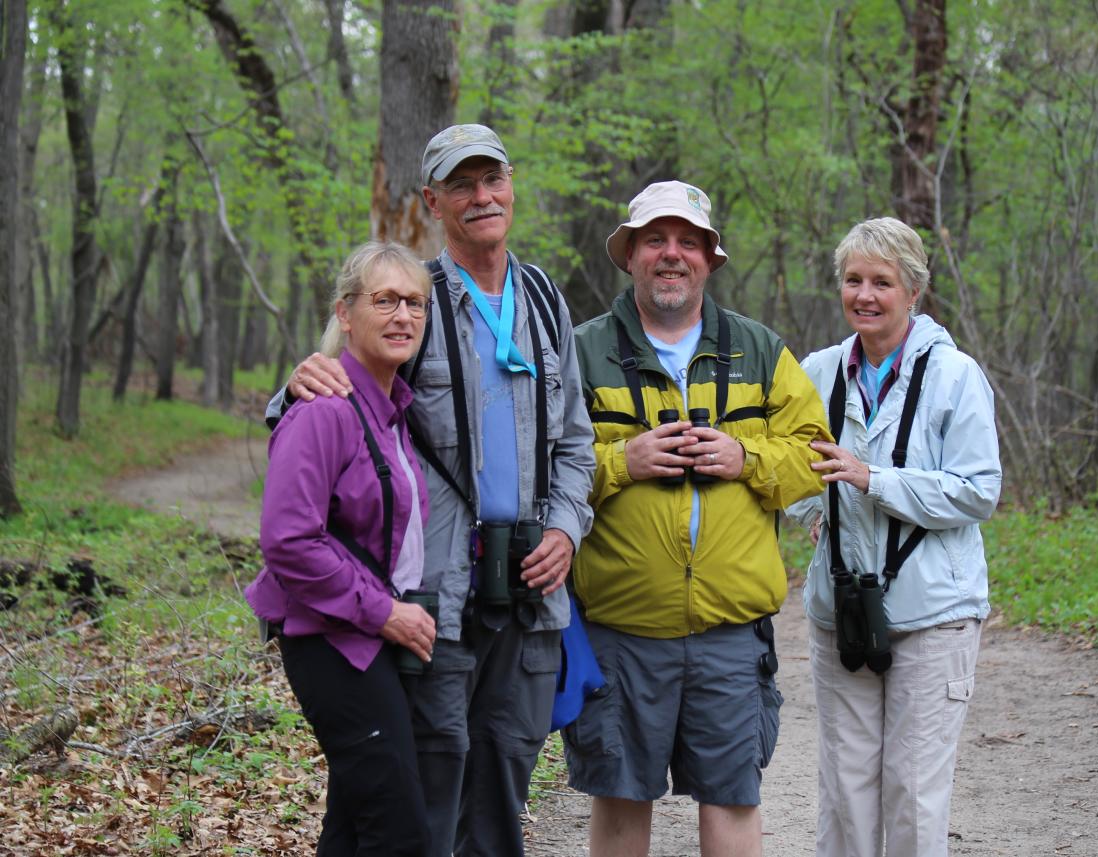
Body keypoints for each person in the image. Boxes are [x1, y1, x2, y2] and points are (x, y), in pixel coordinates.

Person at [269, 124, 595, 857]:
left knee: (508, 770)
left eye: (493, 180)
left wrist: (565, 529)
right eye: (461, 186)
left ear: (512, 186)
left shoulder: (544, 298)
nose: (482, 198)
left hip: (533, 589)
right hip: (437, 591)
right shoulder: (410, 299)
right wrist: (295, 384)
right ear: (433, 201)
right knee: (432, 774)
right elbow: (328, 382)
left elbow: (577, 440)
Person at [567, 181, 831, 857]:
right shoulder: (582, 351)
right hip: (622, 627)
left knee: (733, 793)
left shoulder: (760, 348)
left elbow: (814, 454)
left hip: (730, 631)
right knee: (622, 794)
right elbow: (545, 466)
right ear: (629, 255)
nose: (672, 255)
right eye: (655, 240)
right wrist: (623, 459)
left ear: (710, 258)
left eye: (688, 241)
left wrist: (745, 456)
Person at [788, 217, 1002, 857]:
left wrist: (872, 479)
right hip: (842, 611)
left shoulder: (956, 376)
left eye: (883, 282)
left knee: (913, 792)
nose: (865, 295)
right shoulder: (815, 373)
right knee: (845, 789)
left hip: (935, 615)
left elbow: (977, 490)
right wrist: (816, 506)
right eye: (854, 280)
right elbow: (791, 478)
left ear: (914, 291)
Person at [247, 241, 437, 856]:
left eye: (414, 303)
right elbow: (288, 540)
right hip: (333, 642)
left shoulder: (391, 411)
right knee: (397, 829)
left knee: (355, 824)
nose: (402, 315)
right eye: (384, 300)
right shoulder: (323, 412)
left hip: (369, 640)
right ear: (346, 313)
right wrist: (385, 612)